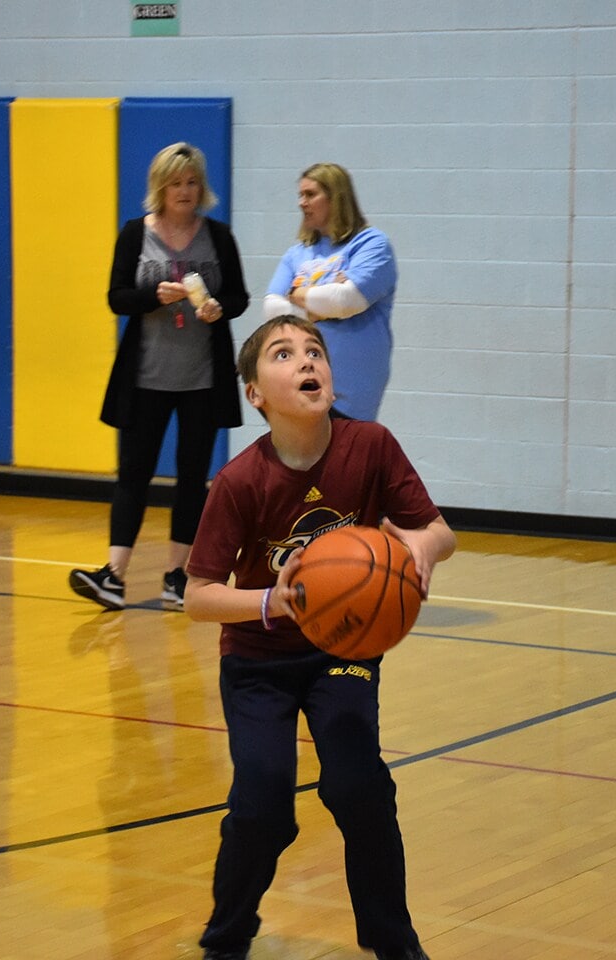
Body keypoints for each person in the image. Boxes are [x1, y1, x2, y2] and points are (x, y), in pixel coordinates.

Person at [183, 316, 454, 960]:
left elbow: (440, 531)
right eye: (284, 354)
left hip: (343, 650)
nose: (306, 360)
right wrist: (272, 601)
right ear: (255, 394)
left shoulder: (371, 445)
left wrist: (420, 550)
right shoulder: (241, 480)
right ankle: (227, 936)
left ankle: (393, 942)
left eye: (315, 351)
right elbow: (198, 596)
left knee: (360, 788)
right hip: (258, 661)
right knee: (262, 806)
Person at [69, 143, 249, 613]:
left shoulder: (218, 236)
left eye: (192, 182)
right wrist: (154, 296)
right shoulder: (135, 234)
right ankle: (113, 575)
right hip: (146, 377)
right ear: (160, 187)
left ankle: (176, 576)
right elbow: (117, 297)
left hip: (202, 379)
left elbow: (239, 297)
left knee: (192, 477)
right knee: (133, 473)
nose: (185, 191)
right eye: (176, 184)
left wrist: (219, 308)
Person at [262, 163, 398, 421]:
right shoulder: (298, 252)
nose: (302, 203)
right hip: (301, 386)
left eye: (310, 194)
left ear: (336, 197)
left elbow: (347, 301)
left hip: (351, 392)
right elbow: (273, 310)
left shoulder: (371, 244)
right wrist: (324, 303)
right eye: (300, 195)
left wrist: (298, 295)